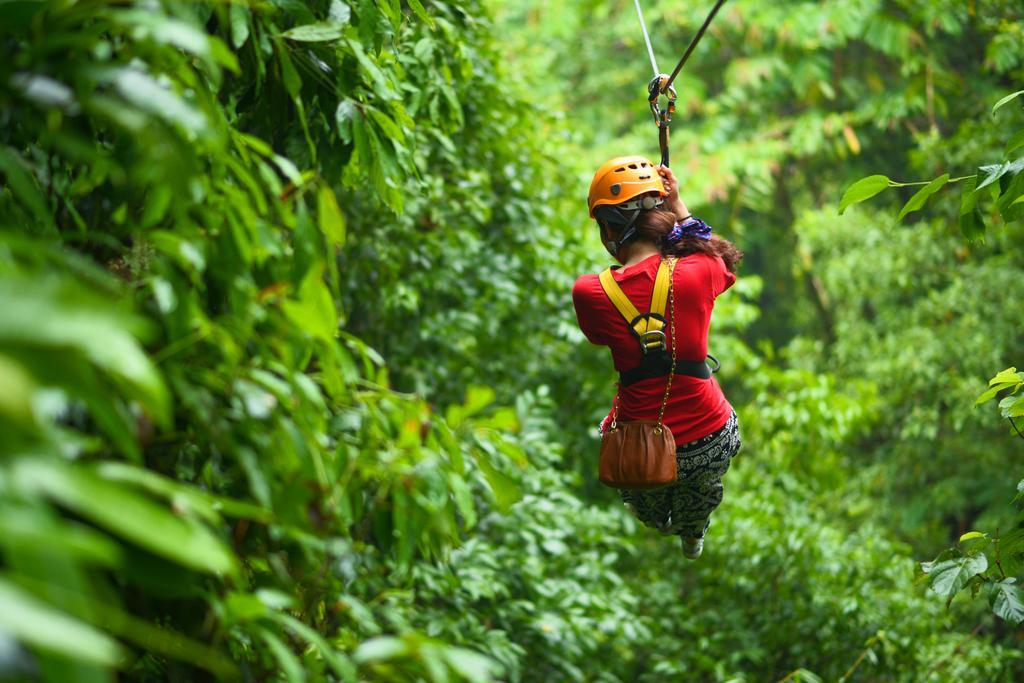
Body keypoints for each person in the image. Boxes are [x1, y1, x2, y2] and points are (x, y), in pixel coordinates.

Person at [571, 155, 742, 559]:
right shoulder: (699, 270)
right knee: (702, 484)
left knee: (643, 495)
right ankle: (695, 524)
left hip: (637, 445)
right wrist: (678, 207)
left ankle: (661, 515)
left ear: (610, 230)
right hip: (710, 438)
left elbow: (598, 336)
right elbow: (719, 258)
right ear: (661, 219)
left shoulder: (590, 293)